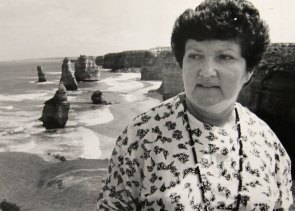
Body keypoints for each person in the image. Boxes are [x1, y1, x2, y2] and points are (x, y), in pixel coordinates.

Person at [97, 0, 293, 210]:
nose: (207, 71)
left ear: (249, 71)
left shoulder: (267, 143)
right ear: (182, 64)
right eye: (195, 56)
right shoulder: (141, 137)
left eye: (225, 57)